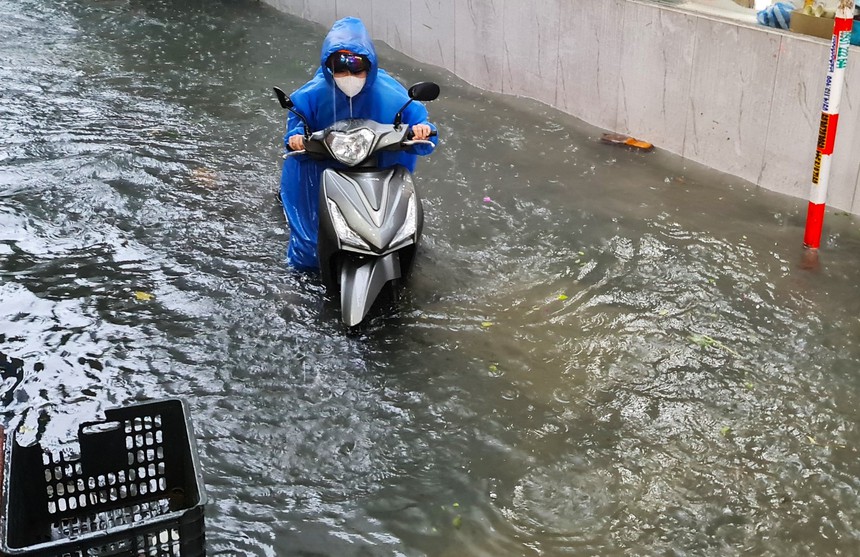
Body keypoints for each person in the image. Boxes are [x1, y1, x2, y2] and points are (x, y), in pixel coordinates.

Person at [279, 16, 438, 271]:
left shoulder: (391, 93)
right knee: (308, 251)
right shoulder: (311, 94)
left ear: (370, 66)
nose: (348, 75)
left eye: (356, 68)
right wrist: (296, 139)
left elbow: (421, 123)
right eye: (340, 68)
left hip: (378, 169)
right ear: (328, 67)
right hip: (324, 168)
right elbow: (295, 126)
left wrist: (422, 131)